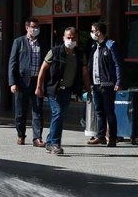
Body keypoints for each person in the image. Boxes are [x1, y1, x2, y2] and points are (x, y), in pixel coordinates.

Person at [35, 26, 85, 154]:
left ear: (77, 38)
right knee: (57, 113)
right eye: (68, 37)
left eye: (73, 38)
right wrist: (39, 87)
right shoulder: (54, 51)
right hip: (54, 89)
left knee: (60, 115)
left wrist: (87, 90)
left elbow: (85, 73)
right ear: (63, 38)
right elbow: (43, 69)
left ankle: (50, 141)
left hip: (67, 90)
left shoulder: (79, 54)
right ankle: (55, 144)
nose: (71, 40)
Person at [86, 21, 123, 147]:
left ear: (98, 31)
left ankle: (112, 138)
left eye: (92, 30)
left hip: (108, 84)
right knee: (99, 111)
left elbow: (118, 64)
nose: (91, 33)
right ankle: (101, 136)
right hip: (96, 84)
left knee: (109, 112)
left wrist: (118, 81)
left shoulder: (110, 45)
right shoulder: (94, 46)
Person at [8, 18, 44, 146]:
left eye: (37, 27)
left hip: (37, 82)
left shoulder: (41, 43)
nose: (35, 29)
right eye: (33, 26)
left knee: (38, 110)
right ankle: (21, 135)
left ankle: (37, 138)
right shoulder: (19, 42)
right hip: (22, 82)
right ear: (27, 27)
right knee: (20, 112)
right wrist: (12, 82)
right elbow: (12, 63)